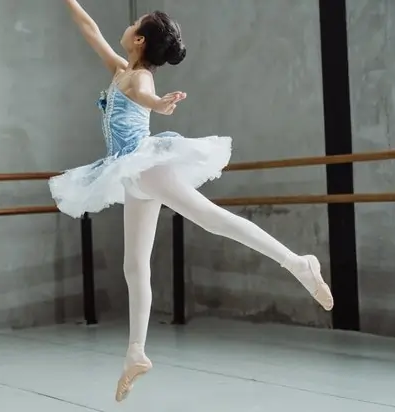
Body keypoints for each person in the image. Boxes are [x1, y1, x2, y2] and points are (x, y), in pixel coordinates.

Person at [49, 0, 334, 402]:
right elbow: (89, 28)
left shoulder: (139, 78)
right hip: (133, 178)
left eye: (134, 24)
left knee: (211, 218)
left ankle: (298, 263)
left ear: (140, 39)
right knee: (135, 265)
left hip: (147, 168)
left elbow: (147, 94)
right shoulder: (121, 70)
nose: (128, 26)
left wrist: (158, 104)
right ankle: (135, 352)